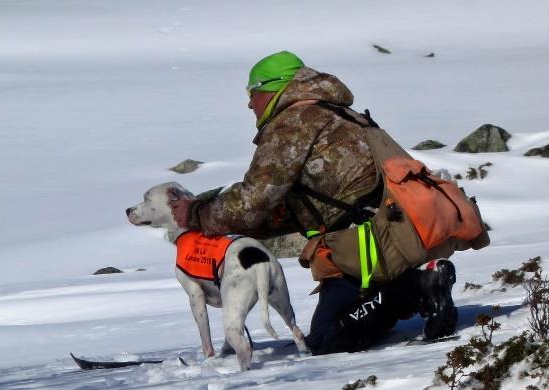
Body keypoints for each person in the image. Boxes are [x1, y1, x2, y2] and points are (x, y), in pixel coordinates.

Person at [169, 51, 473, 355]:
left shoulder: (292, 124)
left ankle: (418, 286)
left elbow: (254, 199)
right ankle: (415, 287)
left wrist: (197, 214)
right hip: (385, 232)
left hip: (360, 247)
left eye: (254, 92)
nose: (250, 103)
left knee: (328, 338)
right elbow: (302, 205)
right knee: (356, 320)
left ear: (275, 88)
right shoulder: (337, 113)